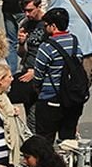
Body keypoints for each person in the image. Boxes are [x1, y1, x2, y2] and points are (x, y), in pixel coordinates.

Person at [31, 8, 84, 141]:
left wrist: (37, 88)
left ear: (53, 26)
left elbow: (38, 74)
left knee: (44, 140)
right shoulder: (74, 41)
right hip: (72, 100)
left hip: (50, 99)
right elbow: (79, 60)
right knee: (68, 140)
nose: (44, 28)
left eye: (46, 25)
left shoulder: (46, 46)